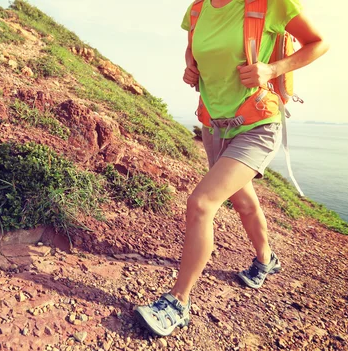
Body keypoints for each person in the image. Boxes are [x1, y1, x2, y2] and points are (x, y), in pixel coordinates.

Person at [135, 0, 329, 337]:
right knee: (241, 200)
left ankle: (178, 302)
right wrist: (189, 69)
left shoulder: (272, 3)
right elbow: (193, 51)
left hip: (257, 124)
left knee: (201, 204)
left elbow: (319, 43)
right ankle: (266, 260)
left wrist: (272, 69)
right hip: (214, 125)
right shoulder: (197, 9)